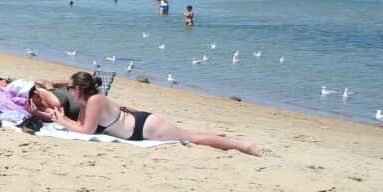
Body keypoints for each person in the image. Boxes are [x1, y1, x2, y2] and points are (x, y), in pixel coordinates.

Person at [50, 72, 261, 155]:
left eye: (70, 88)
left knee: (193, 139)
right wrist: (63, 118)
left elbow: (86, 131)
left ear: (79, 89)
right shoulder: (88, 102)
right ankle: (217, 137)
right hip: (140, 123)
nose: (68, 91)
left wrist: (61, 119)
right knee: (188, 134)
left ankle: (243, 145)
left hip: (147, 128)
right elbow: (81, 126)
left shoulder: (95, 100)